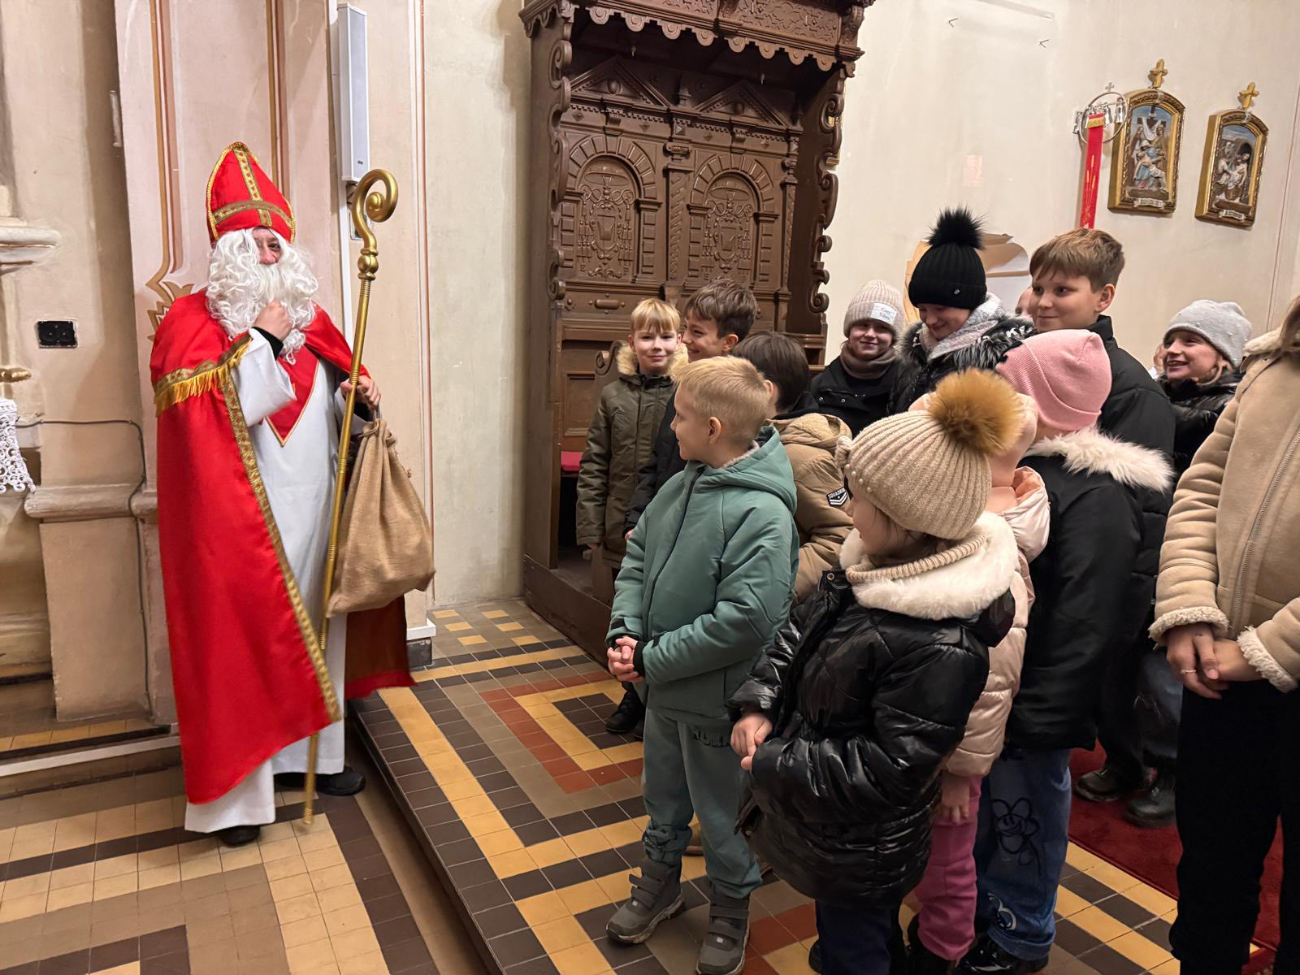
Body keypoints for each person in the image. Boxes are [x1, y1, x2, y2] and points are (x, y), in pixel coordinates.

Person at [150, 142, 410, 847]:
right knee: (242, 649)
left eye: (278, 239)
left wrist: (357, 398)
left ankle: (315, 763)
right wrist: (261, 338)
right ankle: (237, 802)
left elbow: (329, 411)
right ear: (228, 246)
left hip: (316, 514)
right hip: (238, 528)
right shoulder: (190, 326)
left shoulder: (314, 319)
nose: (270, 250)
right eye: (256, 240)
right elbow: (221, 413)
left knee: (316, 634)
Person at [730, 369, 1021, 975]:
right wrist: (760, 699)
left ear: (905, 519)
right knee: (853, 935)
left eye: (856, 495)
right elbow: (796, 632)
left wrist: (776, 760)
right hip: (827, 823)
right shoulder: (866, 568)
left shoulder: (941, 642)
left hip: (863, 845)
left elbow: (890, 768)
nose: (845, 506)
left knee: (854, 947)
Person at [960, 331, 1172, 973]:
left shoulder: (1096, 494)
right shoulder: (1027, 472)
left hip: (1035, 700)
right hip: (998, 690)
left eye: (1010, 381)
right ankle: (979, 912)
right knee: (989, 815)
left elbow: (1086, 619)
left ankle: (1020, 933)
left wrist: (1043, 712)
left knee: (1025, 818)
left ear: (1035, 398)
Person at [604, 356, 799, 975]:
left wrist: (653, 657)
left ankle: (730, 910)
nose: (672, 428)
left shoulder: (762, 513)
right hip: (663, 693)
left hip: (715, 700)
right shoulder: (683, 481)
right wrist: (626, 630)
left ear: (714, 428)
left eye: (680, 417)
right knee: (662, 800)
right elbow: (638, 558)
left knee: (720, 814)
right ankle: (660, 885)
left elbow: (745, 619)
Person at [1148, 299, 1298, 974]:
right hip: (1223, 671)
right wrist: (1188, 609)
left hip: (1267, 664)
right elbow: (1202, 489)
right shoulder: (1274, 364)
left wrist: (1267, 650)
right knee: (1211, 867)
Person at [1028, 228, 1177, 814]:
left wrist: (1134, 594)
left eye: (1062, 290)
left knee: (1115, 676)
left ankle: (1152, 765)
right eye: (1038, 287)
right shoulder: (1034, 361)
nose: (1042, 301)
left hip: (1103, 568)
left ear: (1104, 297)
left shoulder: (1131, 388)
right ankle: (1121, 759)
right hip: (1050, 555)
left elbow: (1143, 502)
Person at [908, 394, 1048, 972]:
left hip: (951, 751)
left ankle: (940, 951)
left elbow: (992, 680)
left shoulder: (994, 552)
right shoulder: (968, 522)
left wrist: (962, 772)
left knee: (948, 861)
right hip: (924, 735)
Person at [1104, 300, 1253, 827]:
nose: (1173, 350)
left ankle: (1170, 769)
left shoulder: (1228, 410)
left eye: (1192, 341)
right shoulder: (1151, 400)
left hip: (1185, 561)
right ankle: (1124, 760)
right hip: (1136, 549)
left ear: (1226, 356)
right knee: (1116, 667)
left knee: (1164, 674)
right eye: (1171, 339)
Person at [611, 281, 757, 737]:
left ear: (728, 343)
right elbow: (655, 466)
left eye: (696, 332)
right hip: (662, 531)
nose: (685, 340)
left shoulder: (741, 403)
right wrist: (639, 520)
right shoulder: (686, 388)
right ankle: (638, 695)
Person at [577, 299, 686, 736]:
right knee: (628, 617)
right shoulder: (613, 396)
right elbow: (594, 463)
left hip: (673, 523)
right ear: (632, 342)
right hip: (625, 524)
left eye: (665, 336)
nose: (656, 345)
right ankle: (632, 698)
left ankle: (657, 702)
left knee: (665, 616)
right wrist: (589, 527)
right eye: (647, 336)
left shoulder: (688, 389)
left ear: (679, 341)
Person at [735, 331, 853, 603]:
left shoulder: (801, 457)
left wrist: (774, 587)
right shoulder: (752, 439)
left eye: (735, 383)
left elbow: (839, 537)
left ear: (765, 391)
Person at [891, 208, 1033, 414]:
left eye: (941, 308)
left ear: (970, 302)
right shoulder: (914, 351)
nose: (929, 320)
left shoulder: (1006, 358)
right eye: (922, 309)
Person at [812, 280, 910, 435]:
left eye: (881, 328)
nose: (870, 334)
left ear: (893, 337)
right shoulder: (820, 385)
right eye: (863, 325)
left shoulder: (907, 383)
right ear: (849, 331)